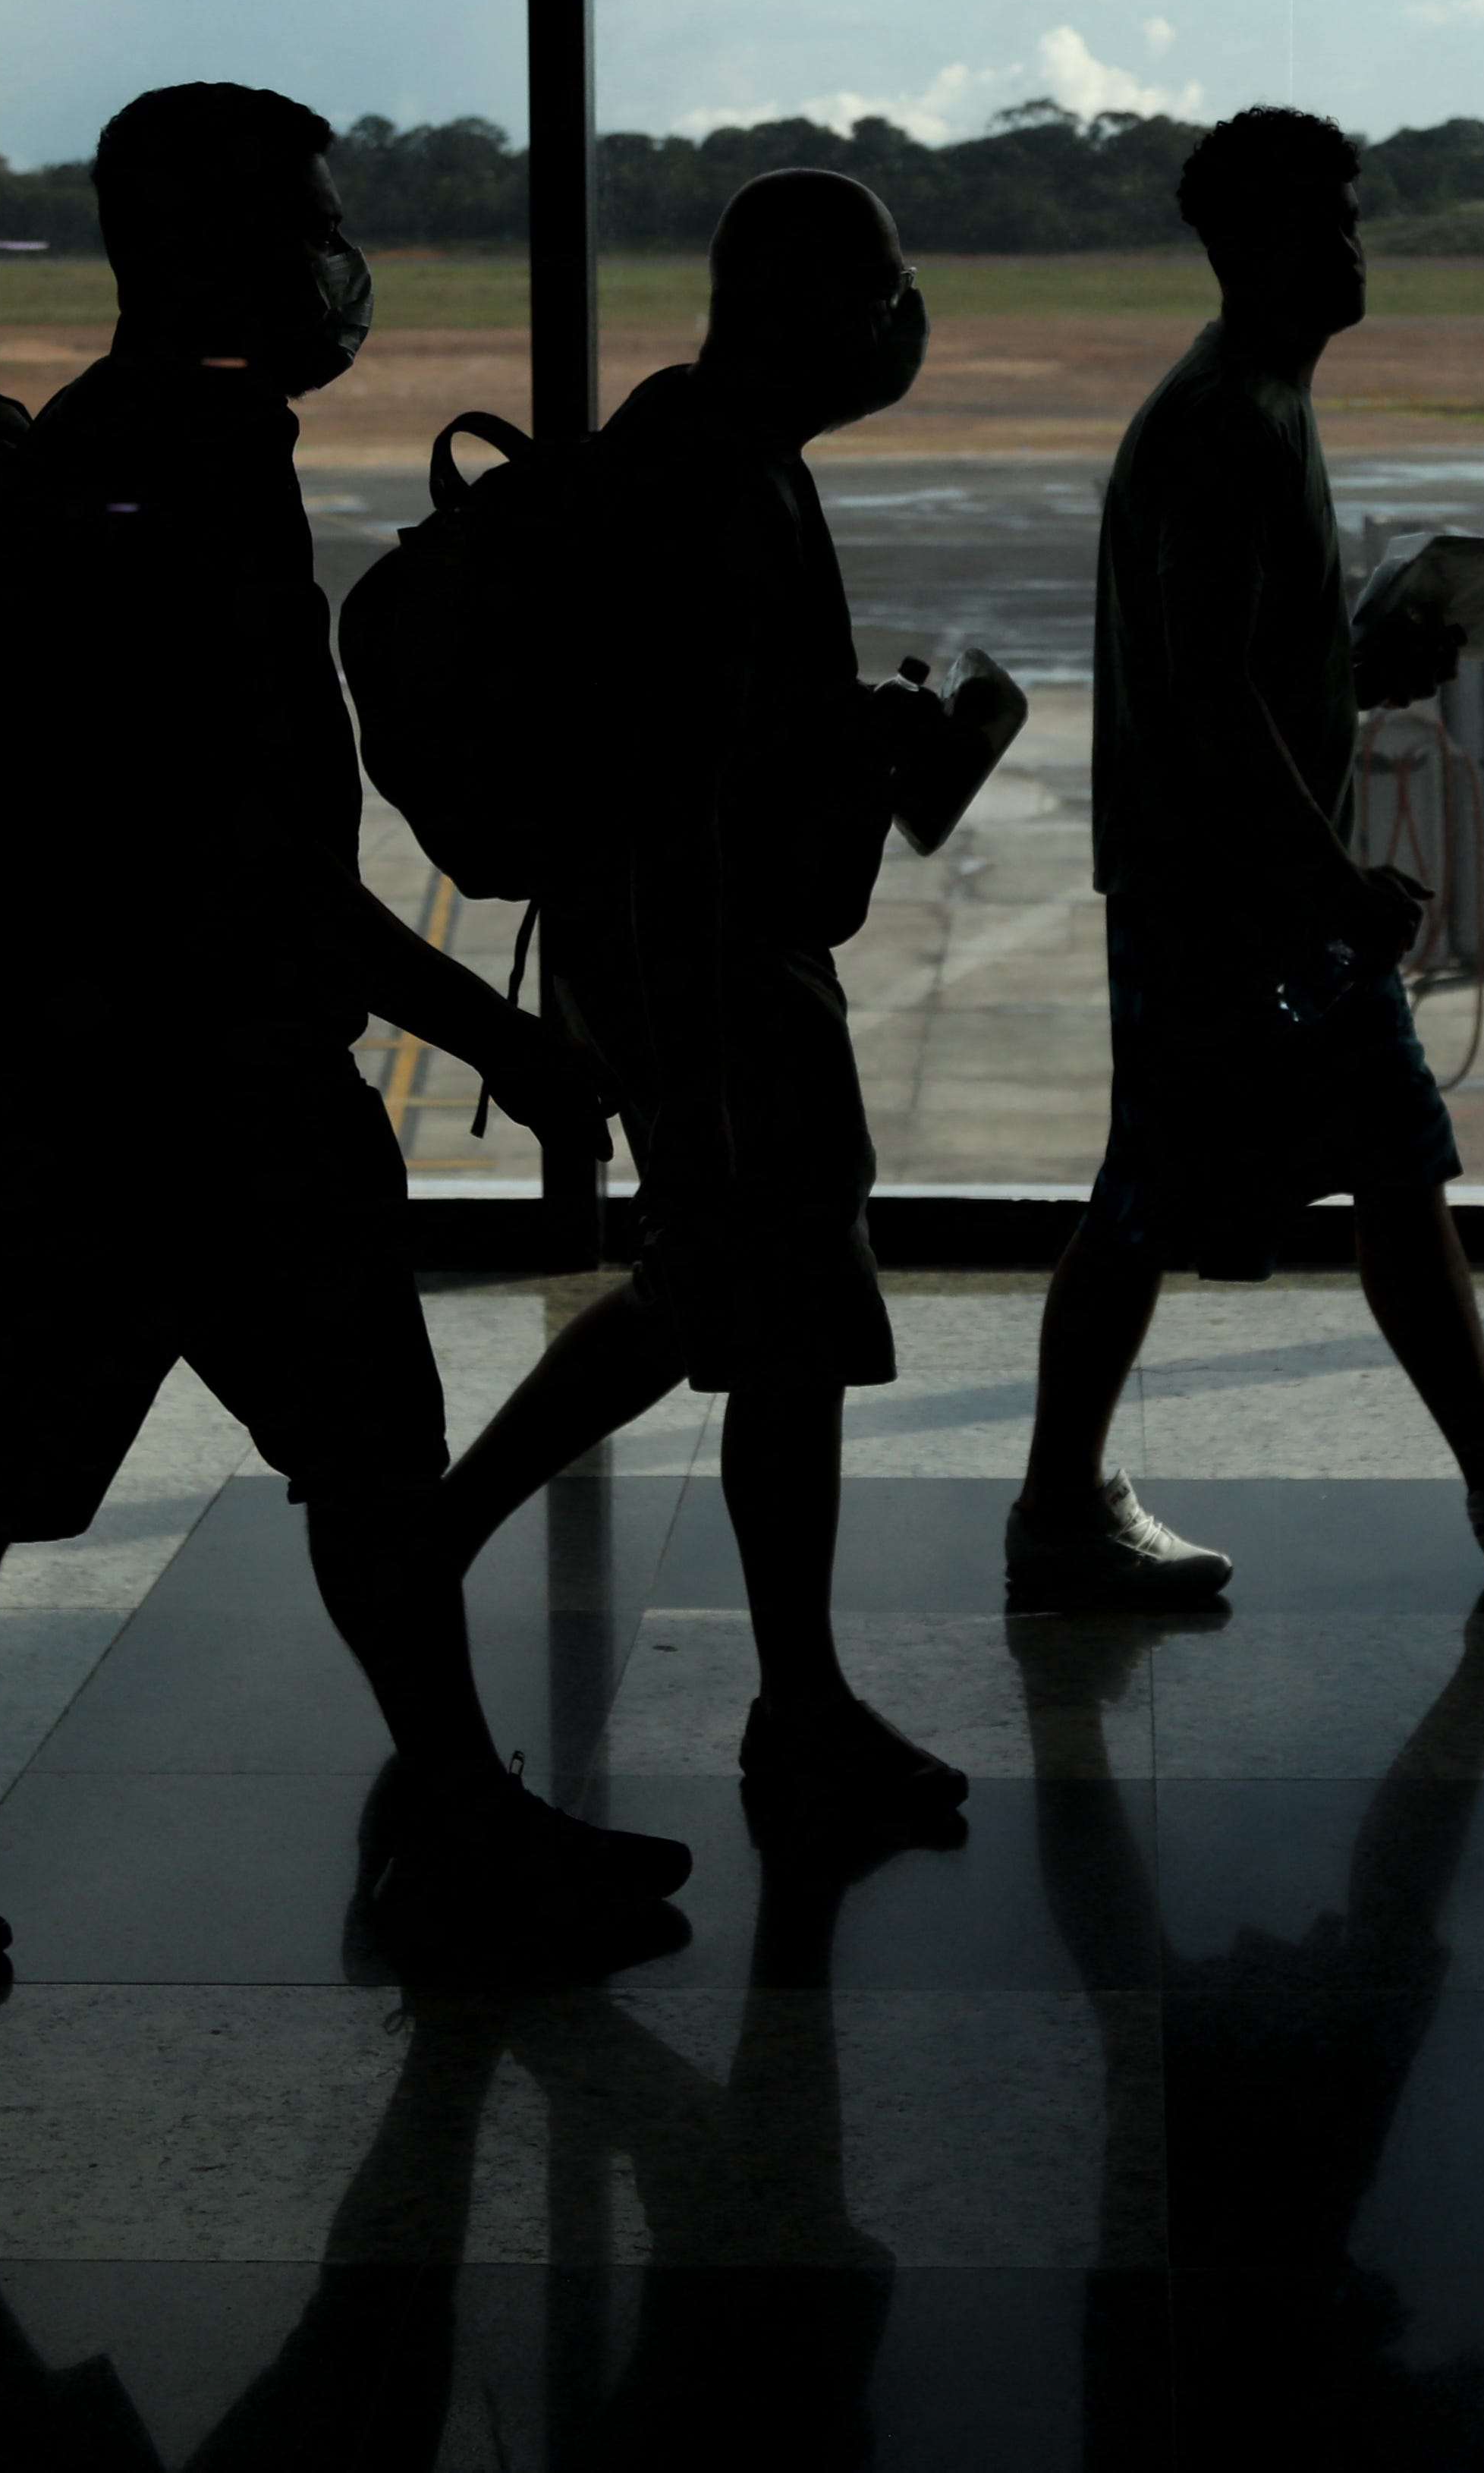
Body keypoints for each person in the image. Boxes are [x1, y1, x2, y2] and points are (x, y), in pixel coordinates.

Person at [0, 81, 680, 1974]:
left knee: (205, 1454)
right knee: (226, 1454)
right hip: (180, 1084)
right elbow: (241, 853)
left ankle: (447, 1813)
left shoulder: (154, 444)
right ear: (210, 250)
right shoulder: (175, 474)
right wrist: (500, 1033)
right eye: (308, 221)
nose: (338, 262)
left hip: (112, 1071)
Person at [1008, 104, 1484, 1611]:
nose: (1353, 248)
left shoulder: (1256, 406)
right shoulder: (1227, 423)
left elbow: (1242, 666)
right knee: (1166, 1193)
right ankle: (1062, 1506)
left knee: (1380, 1149)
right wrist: (1331, 885)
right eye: (1326, 223)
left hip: (1243, 895)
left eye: (1351, 219)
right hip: (1229, 901)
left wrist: (1359, 661)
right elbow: (1204, 698)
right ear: (1248, 246)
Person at [409, 167, 968, 1833]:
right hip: (715, 981)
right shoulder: (723, 494)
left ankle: (432, 1545)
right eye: (878, 291)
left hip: (672, 968)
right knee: (785, 1324)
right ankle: (799, 1709)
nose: (900, 322)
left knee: (695, 1289)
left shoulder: (691, 451)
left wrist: (843, 734)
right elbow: (693, 803)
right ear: (799, 309)